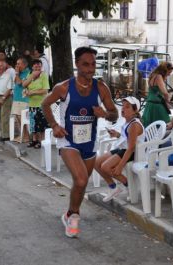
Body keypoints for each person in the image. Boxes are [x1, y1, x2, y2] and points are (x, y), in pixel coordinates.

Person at [41, 46, 118, 238]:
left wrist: (105, 114)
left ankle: (69, 213)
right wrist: (54, 125)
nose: (90, 68)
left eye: (93, 64)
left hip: (89, 142)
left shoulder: (101, 88)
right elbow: (45, 104)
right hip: (68, 140)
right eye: (86, 64)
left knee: (81, 183)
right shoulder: (64, 87)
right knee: (82, 178)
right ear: (77, 64)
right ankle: (75, 216)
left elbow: (114, 114)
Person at [94, 97, 145, 202]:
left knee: (105, 167)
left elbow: (131, 148)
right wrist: (116, 135)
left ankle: (129, 185)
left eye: (127, 107)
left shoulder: (134, 125)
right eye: (123, 106)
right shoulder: (128, 122)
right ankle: (113, 187)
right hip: (123, 149)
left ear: (135, 111)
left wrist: (120, 166)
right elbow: (126, 139)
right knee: (96, 163)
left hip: (131, 152)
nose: (123, 109)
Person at [23, 59, 49, 148]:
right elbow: (24, 85)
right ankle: (34, 140)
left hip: (41, 104)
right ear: (32, 67)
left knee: (41, 125)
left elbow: (45, 90)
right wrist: (31, 77)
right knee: (33, 124)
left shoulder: (44, 76)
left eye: (39, 66)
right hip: (31, 104)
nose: (38, 67)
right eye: (36, 66)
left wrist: (32, 92)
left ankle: (41, 141)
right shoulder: (29, 74)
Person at [142, 62, 173, 128]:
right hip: (157, 106)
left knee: (150, 127)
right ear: (164, 71)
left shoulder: (153, 75)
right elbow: (165, 92)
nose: (169, 75)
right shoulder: (158, 77)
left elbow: (155, 89)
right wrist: (168, 99)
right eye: (169, 72)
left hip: (150, 105)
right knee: (163, 126)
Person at [11, 57, 30, 142]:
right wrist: (16, 74)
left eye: (19, 64)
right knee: (17, 117)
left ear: (25, 64)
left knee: (22, 118)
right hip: (16, 98)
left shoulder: (28, 73)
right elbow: (15, 82)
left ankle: (26, 136)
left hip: (23, 99)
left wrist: (17, 74)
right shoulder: (18, 73)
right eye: (17, 64)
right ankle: (22, 135)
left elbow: (20, 83)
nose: (17, 65)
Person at [0, 61, 13, 141]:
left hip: (6, 97)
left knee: (4, 116)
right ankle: (1, 134)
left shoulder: (8, 76)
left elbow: (9, 88)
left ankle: (6, 135)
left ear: (5, 67)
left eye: (1, 66)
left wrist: (3, 98)